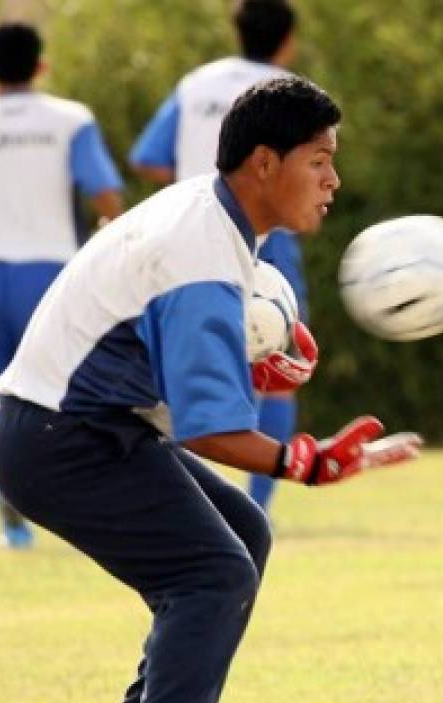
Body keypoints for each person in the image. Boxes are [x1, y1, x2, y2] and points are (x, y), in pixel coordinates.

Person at [0, 76, 422, 703]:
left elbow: (147, 350)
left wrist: (237, 363)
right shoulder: (201, 249)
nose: (333, 180)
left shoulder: (206, 218)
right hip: (60, 441)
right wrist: (314, 462)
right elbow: (212, 430)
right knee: (212, 573)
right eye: (319, 160)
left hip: (76, 427)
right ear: (262, 162)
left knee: (241, 533)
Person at [0, 21, 123, 549]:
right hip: (54, 276)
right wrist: (110, 235)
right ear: (42, 66)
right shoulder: (70, 120)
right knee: (76, 399)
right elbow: (104, 193)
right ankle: (89, 510)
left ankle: (13, 527)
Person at [129, 0, 308, 515]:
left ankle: (187, 498)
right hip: (267, 242)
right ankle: (261, 503)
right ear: (288, 39)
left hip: (184, 240)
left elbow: (145, 156)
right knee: (277, 364)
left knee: (177, 370)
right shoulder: (290, 94)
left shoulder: (194, 84)